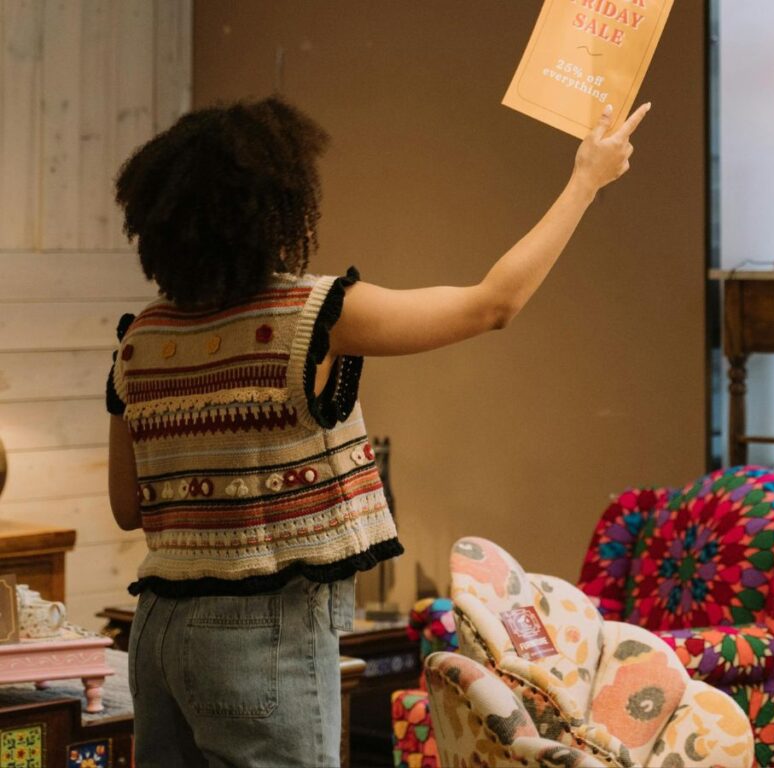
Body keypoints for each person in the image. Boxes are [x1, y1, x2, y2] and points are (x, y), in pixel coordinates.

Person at [106, 95, 650, 768]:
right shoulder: (312, 314)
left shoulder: (139, 341)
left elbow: (129, 509)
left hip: (158, 628)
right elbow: (493, 304)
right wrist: (584, 182)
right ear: (276, 209)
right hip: (261, 626)